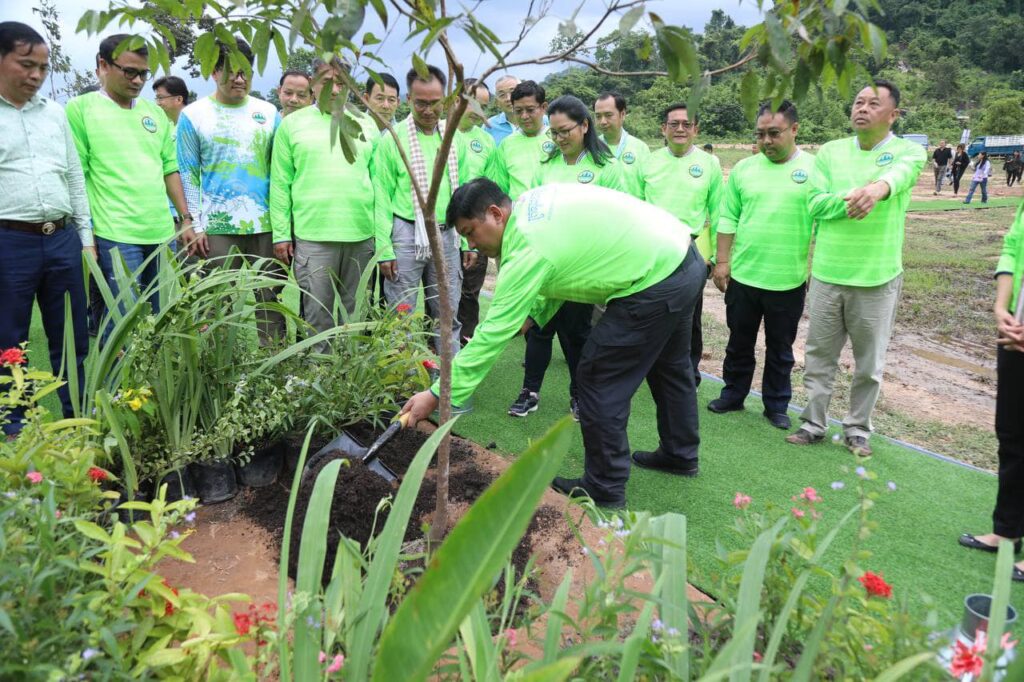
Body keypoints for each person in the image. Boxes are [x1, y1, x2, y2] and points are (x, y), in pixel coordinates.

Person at [401, 180, 707, 509]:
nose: (472, 244)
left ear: (495, 214)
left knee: (599, 374)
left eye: (471, 232)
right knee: (670, 366)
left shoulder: (527, 245)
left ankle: (605, 485)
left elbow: (492, 333)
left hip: (656, 278)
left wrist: (438, 394)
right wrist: (534, 314)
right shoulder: (530, 206)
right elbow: (561, 268)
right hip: (683, 256)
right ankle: (679, 453)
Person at [787, 79, 926, 456]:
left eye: (873, 103)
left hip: (876, 278)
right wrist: (853, 200)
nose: (862, 108)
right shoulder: (831, 152)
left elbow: (899, 177)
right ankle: (812, 423)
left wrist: (876, 190)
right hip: (827, 274)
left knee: (869, 363)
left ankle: (858, 429)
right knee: (819, 357)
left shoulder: (909, 151)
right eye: (858, 102)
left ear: (893, 114)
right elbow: (814, 203)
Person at [508, 95, 627, 420]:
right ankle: (529, 392)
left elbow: (615, 218)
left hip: (581, 267)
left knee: (576, 334)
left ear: (584, 126)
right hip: (546, 265)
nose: (560, 139)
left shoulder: (606, 168)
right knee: (539, 329)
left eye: (565, 131)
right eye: (554, 132)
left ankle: (579, 394)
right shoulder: (546, 165)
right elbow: (532, 209)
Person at [0, 21, 92, 435]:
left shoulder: (54, 113)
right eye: (26, 65)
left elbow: (74, 176)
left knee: (72, 337)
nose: (36, 75)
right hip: (9, 242)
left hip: (62, 239)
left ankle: (79, 423)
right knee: (9, 342)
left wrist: (85, 239)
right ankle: (17, 432)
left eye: (42, 67)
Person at [66, 34, 193, 332]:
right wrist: (86, 235)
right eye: (129, 72)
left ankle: (151, 366)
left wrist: (185, 219)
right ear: (103, 65)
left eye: (143, 74)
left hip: (160, 232)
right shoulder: (80, 109)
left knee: (158, 320)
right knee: (122, 324)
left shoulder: (154, 113)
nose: (137, 81)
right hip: (115, 233)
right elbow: (77, 175)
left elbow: (169, 169)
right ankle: (116, 367)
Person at [709, 100, 814, 431]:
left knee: (780, 349)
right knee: (739, 342)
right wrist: (722, 261)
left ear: (794, 130)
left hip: (788, 280)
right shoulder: (744, 169)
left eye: (774, 133)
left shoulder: (815, 170)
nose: (766, 141)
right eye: (760, 134)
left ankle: (776, 405)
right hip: (744, 276)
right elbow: (728, 217)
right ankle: (733, 394)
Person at [177, 37, 284, 343]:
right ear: (214, 72)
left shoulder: (268, 113)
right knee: (216, 304)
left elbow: (280, 173)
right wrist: (193, 223)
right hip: (216, 228)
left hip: (266, 226)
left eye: (245, 72)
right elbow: (188, 173)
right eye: (232, 72)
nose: (240, 79)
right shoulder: (193, 115)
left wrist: (283, 227)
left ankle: (276, 362)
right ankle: (219, 365)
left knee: (271, 301)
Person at [270, 59, 375, 340]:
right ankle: (318, 366)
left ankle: (351, 366)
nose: (335, 89)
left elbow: (379, 182)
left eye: (341, 83)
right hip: (313, 236)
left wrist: (381, 237)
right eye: (327, 82)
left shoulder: (367, 124)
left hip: (361, 235)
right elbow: (280, 183)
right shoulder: (292, 125)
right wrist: (281, 234)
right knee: (317, 316)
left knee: (355, 315)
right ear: (313, 85)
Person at [372, 63, 472, 352]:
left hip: (448, 235)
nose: (428, 110)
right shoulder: (393, 138)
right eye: (420, 103)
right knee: (399, 316)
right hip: (405, 234)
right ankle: (400, 378)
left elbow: (464, 194)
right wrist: (384, 249)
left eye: (434, 103)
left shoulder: (455, 139)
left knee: (447, 314)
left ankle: (447, 378)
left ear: (447, 101)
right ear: (408, 100)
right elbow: (381, 195)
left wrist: (467, 242)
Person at [957, 200, 1024, 583]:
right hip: (1015, 328)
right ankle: (1007, 530)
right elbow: (1012, 248)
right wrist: (1001, 307)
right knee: (1011, 432)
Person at [638, 103, 722, 388]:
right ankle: (649, 369)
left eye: (687, 124)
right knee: (651, 309)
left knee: (689, 317)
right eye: (674, 124)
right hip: (653, 249)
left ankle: (689, 373)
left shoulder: (709, 163)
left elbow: (717, 211)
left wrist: (714, 256)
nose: (680, 129)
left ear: (696, 129)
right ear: (663, 128)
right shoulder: (649, 162)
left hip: (691, 252)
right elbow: (637, 207)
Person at [456, 79, 496, 345]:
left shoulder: (486, 141)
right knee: (437, 292)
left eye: (484, 107)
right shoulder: (439, 132)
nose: (479, 113)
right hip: (443, 228)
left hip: (475, 232)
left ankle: (466, 346)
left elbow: (489, 188)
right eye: (474, 105)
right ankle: (432, 350)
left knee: (470, 293)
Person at [485, 80, 554, 201]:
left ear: (543, 107)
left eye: (530, 110)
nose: (524, 116)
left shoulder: (557, 139)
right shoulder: (506, 145)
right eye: (518, 111)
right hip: (518, 211)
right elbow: (502, 187)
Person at [593, 91, 649, 198]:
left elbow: (648, 185)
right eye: (598, 116)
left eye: (608, 115)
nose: (603, 121)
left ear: (622, 114)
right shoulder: (591, 148)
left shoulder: (640, 148)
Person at [486, 74, 519, 145]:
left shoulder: (540, 120)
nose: (508, 98)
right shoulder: (489, 126)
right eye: (502, 95)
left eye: (513, 92)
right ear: (497, 102)